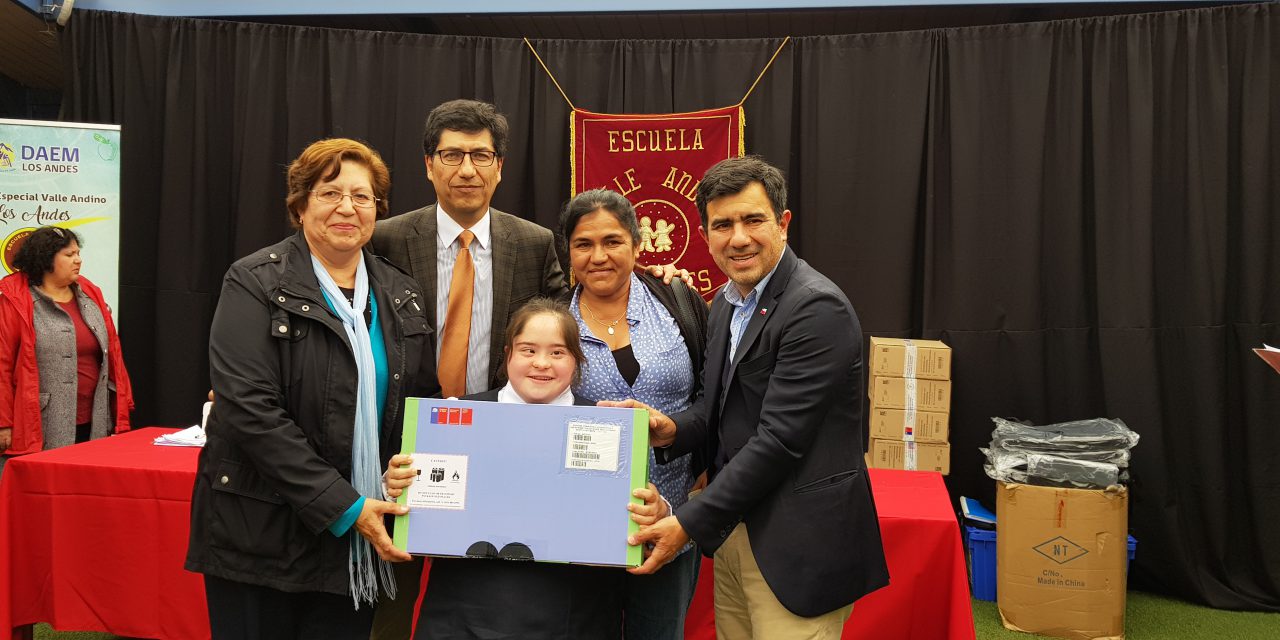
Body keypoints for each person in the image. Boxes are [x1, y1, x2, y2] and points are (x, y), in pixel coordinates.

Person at [368, 98, 688, 638]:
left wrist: (648, 277)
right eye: (451, 155)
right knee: (397, 613)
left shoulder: (536, 243)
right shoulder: (384, 239)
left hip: (513, 468)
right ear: (429, 164)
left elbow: (571, 315)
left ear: (500, 166)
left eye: (481, 155)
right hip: (406, 456)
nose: (467, 169)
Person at [610, 157, 890, 639]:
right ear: (705, 235)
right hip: (737, 532)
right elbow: (721, 410)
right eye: (723, 224)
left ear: (783, 223)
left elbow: (779, 440)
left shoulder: (815, 307)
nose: (738, 237)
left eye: (752, 219)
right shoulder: (726, 302)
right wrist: (671, 428)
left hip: (798, 547)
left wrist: (685, 524)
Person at [185, 138, 433, 639]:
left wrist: (406, 463)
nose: (348, 207)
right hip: (263, 533)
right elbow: (248, 410)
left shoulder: (400, 293)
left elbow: (415, 406)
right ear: (300, 206)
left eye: (362, 197)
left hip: (355, 544)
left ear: (377, 211)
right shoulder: (254, 280)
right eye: (330, 192)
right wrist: (345, 505)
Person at [414, 297, 669, 640]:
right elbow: (425, 508)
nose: (542, 364)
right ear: (508, 355)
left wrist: (658, 509)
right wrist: (399, 484)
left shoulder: (609, 426)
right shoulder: (458, 417)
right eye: (528, 350)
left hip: (575, 614)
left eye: (558, 352)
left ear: (577, 361)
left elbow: (634, 501)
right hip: (464, 612)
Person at [560, 188, 708, 639]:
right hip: (577, 528)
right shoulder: (551, 320)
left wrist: (697, 458)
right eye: (584, 244)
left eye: (613, 241)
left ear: (637, 245)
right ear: (567, 251)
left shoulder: (677, 301)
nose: (598, 256)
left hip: (669, 520)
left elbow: (715, 393)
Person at [0, 226, 134, 475]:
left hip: (95, 420)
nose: (78, 260)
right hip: (39, 423)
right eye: (69, 254)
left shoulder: (90, 293)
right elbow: (2, 364)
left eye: (78, 253)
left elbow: (113, 355)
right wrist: (3, 424)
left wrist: (121, 406)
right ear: (46, 259)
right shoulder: (16, 300)